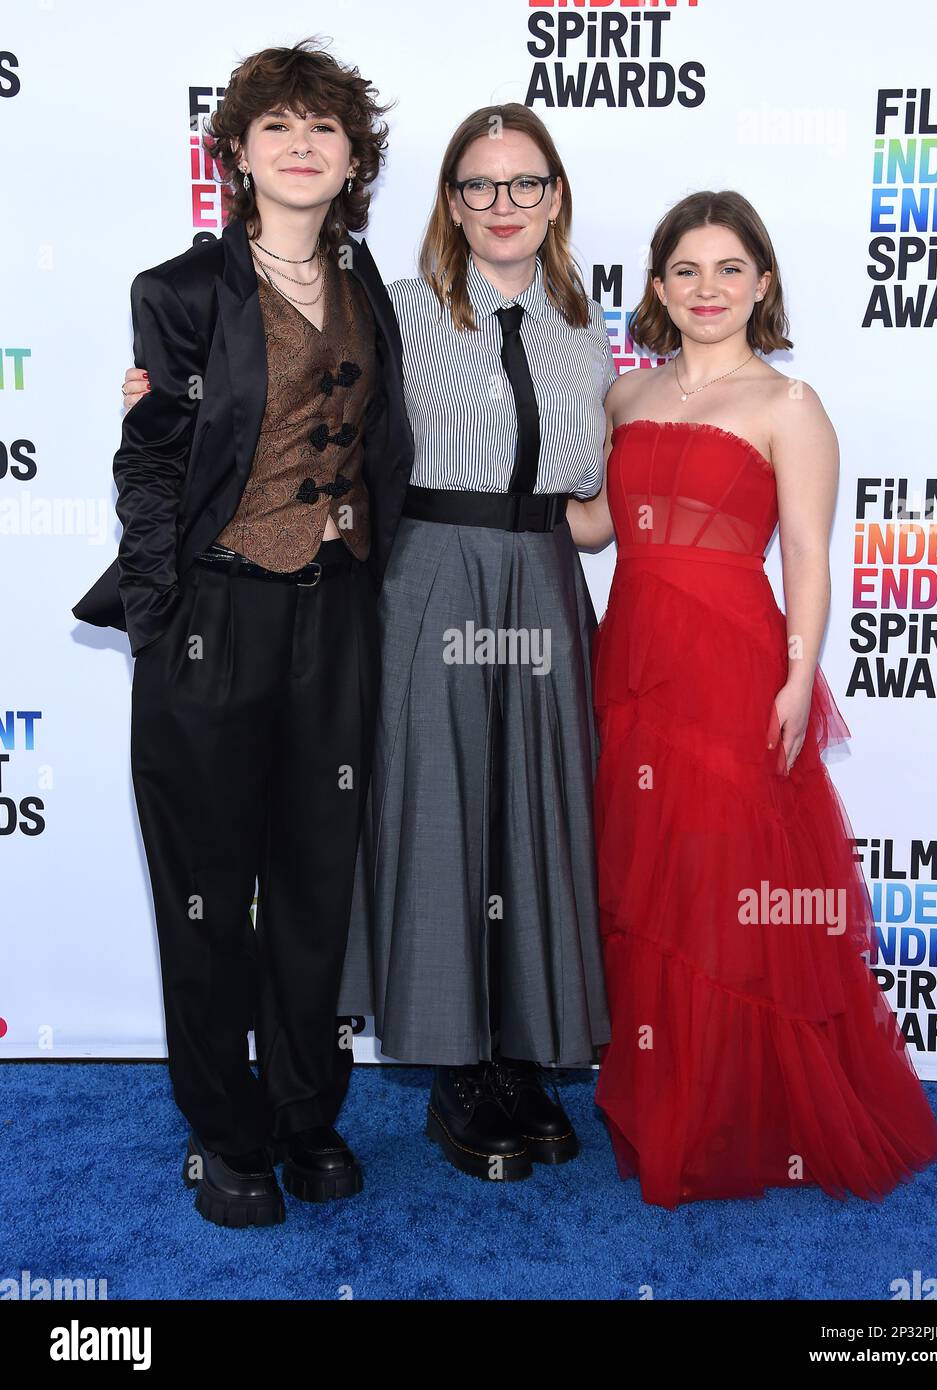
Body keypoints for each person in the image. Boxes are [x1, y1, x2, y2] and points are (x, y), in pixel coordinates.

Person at [121, 104, 616, 1184]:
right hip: (366, 588)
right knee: (401, 835)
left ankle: (467, 1067)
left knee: (482, 839)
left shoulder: (579, 327)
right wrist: (161, 603)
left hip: (497, 591)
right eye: (480, 185)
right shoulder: (390, 303)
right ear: (446, 199)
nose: (503, 203)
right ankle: (284, 1112)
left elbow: (598, 488)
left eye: (525, 184)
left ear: (556, 197)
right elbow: (187, 443)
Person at [73, 40, 413, 1227]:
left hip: (338, 616)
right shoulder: (176, 291)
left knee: (317, 880)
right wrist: (164, 622)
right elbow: (152, 464)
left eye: (324, 127)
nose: (302, 144)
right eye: (277, 127)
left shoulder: (375, 291)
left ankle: (307, 1115)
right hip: (214, 614)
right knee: (210, 891)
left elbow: (390, 453)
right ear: (237, 154)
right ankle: (224, 1131)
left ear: (355, 156)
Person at [569, 190, 937, 1207]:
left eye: (728, 269)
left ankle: (744, 1110)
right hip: (634, 664)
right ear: (655, 288)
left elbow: (813, 564)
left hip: (734, 666)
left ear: (762, 283)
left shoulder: (789, 405)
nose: (707, 289)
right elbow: (595, 528)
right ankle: (669, 1096)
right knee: (654, 887)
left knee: (727, 883)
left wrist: (795, 674)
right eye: (685, 271)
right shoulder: (623, 400)